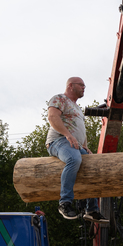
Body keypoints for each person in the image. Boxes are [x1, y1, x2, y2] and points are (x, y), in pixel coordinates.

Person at [45, 77, 108, 223]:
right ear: (71, 86)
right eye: (81, 85)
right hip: (58, 141)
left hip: (75, 145)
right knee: (74, 159)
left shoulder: (77, 108)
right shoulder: (59, 98)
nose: (84, 88)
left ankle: (91, 209)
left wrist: (85, 146)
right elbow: (52, 117)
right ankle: (64, 203)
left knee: (93, 166)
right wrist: (68, 135)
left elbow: (80, 129)